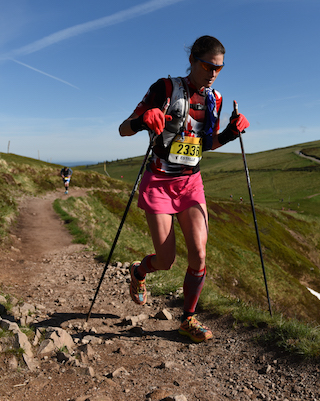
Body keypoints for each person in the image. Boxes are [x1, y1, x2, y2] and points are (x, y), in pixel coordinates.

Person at [118, 35, 249, 342]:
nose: (213, 73)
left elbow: (204, 144)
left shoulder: (214, 100)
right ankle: (139, 272)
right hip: (159, 182)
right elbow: (123, 129)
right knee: (166, 261)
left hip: (191, 183)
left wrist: (230, 133)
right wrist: (141, 122)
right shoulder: (164, 88)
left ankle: (187, 319)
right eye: (207, 65)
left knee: (200, 255)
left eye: (219, 67)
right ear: (192, 60)